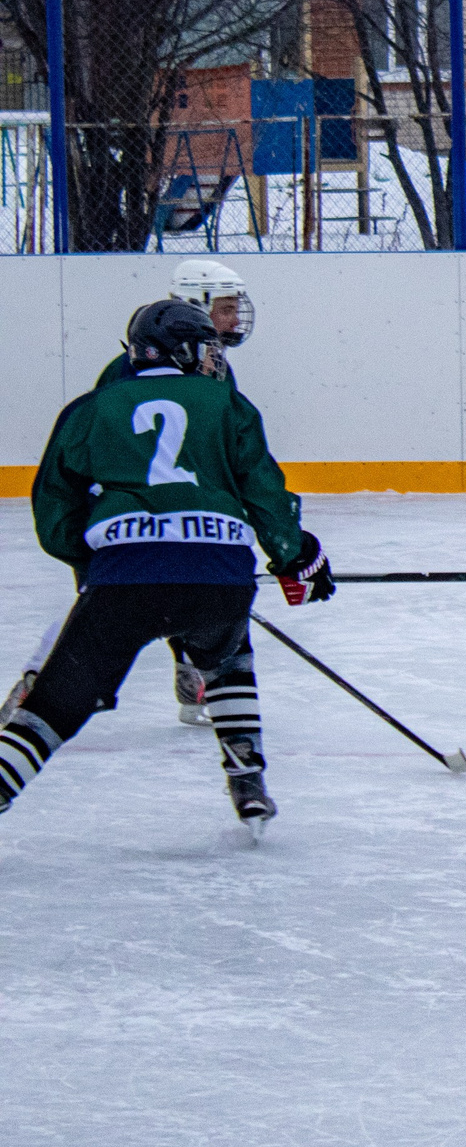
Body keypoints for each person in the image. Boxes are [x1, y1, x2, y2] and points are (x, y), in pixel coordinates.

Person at [0, 300, 333, 828]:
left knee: (53, 707)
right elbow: (265, 493)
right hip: (218, 576)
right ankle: (247, 775)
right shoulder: (227, 404)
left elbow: (53, 509)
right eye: (204, 347)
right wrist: (297, 556)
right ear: (182, 348)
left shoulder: (90, 408)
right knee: (227, 656)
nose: (210, 358)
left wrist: (96, 559)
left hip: (124, 582)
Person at [47, 258, 262, 727]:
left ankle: (191, 668)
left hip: (161, 523)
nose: (232, 319)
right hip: (124, 520)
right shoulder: (127, 373)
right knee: (104, 604)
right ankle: (36, 682)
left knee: (180, 589)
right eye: (223, 308)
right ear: (195, 306)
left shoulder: (212, 368)